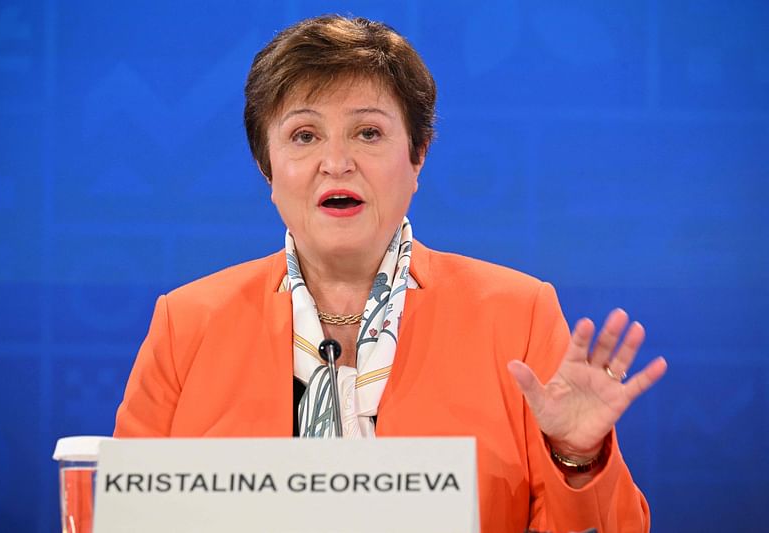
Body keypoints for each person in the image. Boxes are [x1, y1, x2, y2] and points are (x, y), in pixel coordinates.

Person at [114, 14, 667, 532]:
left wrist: (577, 457)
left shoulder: (517, 315)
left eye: (368, 133)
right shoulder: (186, 324)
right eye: (304, 136)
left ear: (418, 155)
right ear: (267, 166)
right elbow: (122, 519)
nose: (336, 162)